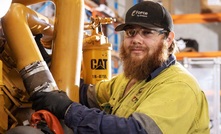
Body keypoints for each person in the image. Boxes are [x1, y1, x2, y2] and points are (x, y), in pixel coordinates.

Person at [30, 1, 210, 134]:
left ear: (168, 39)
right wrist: (47, 67)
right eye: (131, 32)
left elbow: (135, 131)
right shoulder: (130, 79)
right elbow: (85, 94)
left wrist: (68, 109)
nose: (136, 40)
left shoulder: (179, 85)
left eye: (147, 32)